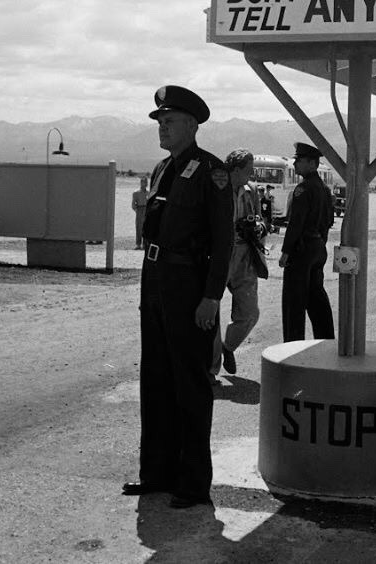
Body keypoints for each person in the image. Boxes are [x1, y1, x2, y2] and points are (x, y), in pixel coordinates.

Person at [122, 85, 234, 508]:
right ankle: (156, 472)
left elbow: (222, 242)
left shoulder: (212, 172)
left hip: (188, 284)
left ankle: (192, 482)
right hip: (154, 280)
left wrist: (211, 298)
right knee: (155, 377)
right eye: (159, 122)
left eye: (169, 122)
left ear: (191, 124)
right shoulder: (161, 168)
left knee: (189, 382)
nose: (161, 129)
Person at [210, 149, 267, 379]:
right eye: (248, 170)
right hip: (218, 255)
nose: (252, 174)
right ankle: (211, 369)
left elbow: (262, 220)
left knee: (250, 312)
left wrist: (257, 228)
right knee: (210, 311)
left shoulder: (251, 191)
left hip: (244, 255)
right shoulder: (216, 187)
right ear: (235, 170)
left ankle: (229, 346)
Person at [279, 142, 335, 342]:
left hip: (302, 249)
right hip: (318, 246)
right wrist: (319, 244)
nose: (295, 164)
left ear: (312, 163)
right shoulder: (324, 189)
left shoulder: (303, 189)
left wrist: (286, 251)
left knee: (294, 301)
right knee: (315, 296)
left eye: (299, 160)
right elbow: (328, 221)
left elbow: (296, 223)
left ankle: (292, 347)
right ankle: (326, 339)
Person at [131, 176, 148, 249]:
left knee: (146, 227)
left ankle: (144, 244)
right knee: (138, 227)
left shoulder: (148, 193)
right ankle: (138, 244)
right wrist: (137, 211)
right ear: (141, 183)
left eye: (146, 182)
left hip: (146, 210)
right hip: (139, 209)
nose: (145, 183)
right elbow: (133, 204)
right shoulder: (136, 193)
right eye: (143, 182)